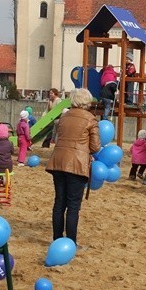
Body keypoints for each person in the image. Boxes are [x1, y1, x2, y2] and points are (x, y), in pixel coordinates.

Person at [45, 88, 101, 245]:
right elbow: (95, 147)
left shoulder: (64, 116)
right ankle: (70, 242)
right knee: (73, 205)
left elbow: (58, 137)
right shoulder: (91, 119)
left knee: (59, 202)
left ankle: (57, 239)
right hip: (77, 164)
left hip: (58, 161)